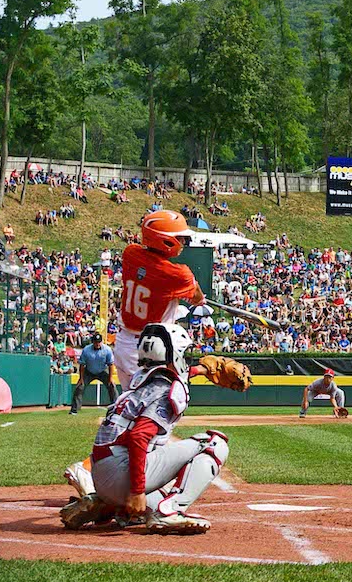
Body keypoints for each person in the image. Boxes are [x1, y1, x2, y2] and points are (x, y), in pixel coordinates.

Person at [59, 323, 231, 534]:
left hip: (101, 472)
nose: (185, 359)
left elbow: (175, 374)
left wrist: (202, 370)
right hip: (120, 473)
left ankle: (106, 505)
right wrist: (137, 491)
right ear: (173, 353)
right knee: (214, 444)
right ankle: (169, 512)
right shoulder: (166, 389)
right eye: (182, 353)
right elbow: (139, 437)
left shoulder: (140, 378)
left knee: (159, 495)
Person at [115, 210, 205, 389]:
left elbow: (149, 271)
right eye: (179, 238)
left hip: (124, 343)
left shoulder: (130, 253)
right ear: (165, 240)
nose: (183, 242)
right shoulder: (177, 274)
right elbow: (197, 297)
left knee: (129, 404)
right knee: (156, 407)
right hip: (149, 347)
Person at [72, 333, 117, 415]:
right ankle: (74, 410)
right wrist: (81, 378)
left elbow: (111, 365)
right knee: (79, 387)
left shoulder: (107, 350)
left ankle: (116, 408)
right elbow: (82, 365)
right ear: (93, 342)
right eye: (96, 342)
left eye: (99, 342)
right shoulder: (86, 350)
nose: (97, 344)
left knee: (112, 386)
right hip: (88, 371)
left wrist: (110, 378)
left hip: (103, 371)